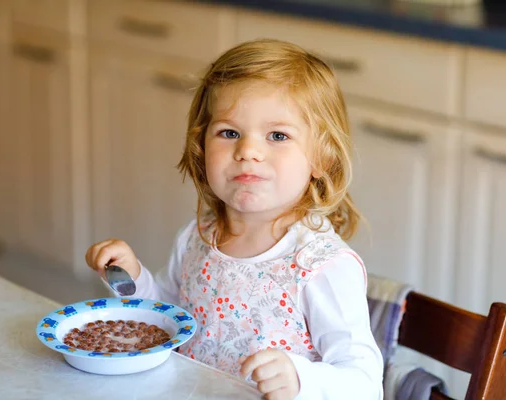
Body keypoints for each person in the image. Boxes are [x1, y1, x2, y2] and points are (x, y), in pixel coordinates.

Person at [86, 39, 383, 400]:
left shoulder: (321, 266)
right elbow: (170, 319)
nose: (248, 152)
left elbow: (364, 383)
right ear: (201, 147)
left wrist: (302, 380)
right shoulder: (197, 237)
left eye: (277, 135)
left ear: (321, 158)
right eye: (229, 133)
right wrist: (132, 279)